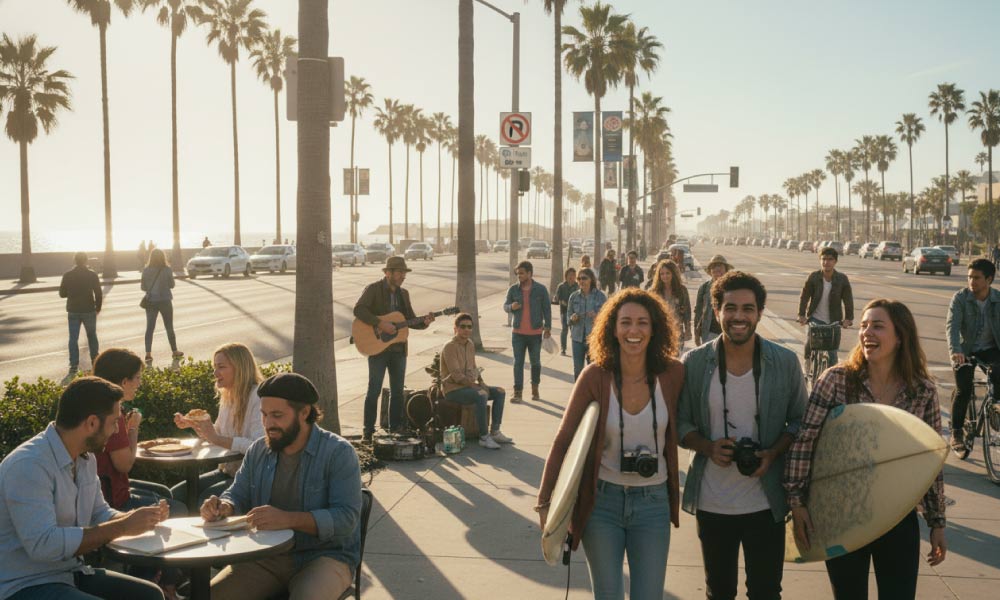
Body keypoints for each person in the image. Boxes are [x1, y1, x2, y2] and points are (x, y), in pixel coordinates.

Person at [785, 299, 947, 599]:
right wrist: (797, 503)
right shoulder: (837, 380)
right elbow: (805, 441)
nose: (866, 332)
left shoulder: (921, 390)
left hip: (897, 515)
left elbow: (930, 458)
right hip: (843, 512)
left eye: (877, 326)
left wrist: (937, 522)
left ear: (900, 336)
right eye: (863, 325)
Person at [537, 288, 684, 599]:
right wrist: (547, 500)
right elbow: (564, 440)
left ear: (654, 328)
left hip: (653, 504)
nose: (634, 331)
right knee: (607, 595)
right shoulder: (595, 376)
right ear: (612, 328)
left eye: (643, 323)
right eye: (626, 322)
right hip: (602, 503)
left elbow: (697, 422)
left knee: (649, 595)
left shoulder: (673, 374)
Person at [677, 271, 807, 600]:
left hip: (766, 502)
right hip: (712, 502)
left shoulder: (785, 362)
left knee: (765, 592)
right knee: (718, 591)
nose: (739, 316)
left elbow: (800, 421)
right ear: (716, 311)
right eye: (730, 308)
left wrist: (773, 452)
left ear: (759, 313)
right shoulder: (693, 363)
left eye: (748, 309)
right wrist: (707, 446)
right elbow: (680, 422)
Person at [0, 377, 168, 600]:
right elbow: (43, 545)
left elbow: (100, 513)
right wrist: (122, 526)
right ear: (91, 423)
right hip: (23, 585)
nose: (117, 429)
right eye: (114, 422)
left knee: (150, 595)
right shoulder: (28, 465)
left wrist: (141, 520)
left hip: (70, 573)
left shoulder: (86, 458)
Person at [201, 373, 362, 600]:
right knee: (209, 596)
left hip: (324, 556)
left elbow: (346, 519)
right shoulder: (258, 450)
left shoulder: (338, 453)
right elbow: (237, 493)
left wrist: (289, 519)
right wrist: (224, 506)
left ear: (305, 412)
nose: (268, 424)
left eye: (277, 415)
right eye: (264, 415)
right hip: (265, 555)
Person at [171, 343, 266, 504]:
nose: (215, 373)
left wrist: (215, 438)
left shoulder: (258, 397)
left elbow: (259, 446)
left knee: (203, 500)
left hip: (252, 478)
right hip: (228, 471)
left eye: (221, 367)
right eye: (214, 367)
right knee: (177, 494)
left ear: (240, 368)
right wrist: (195, 424)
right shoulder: (228, 396)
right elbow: (217, 434)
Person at [93, 349, 185, 513]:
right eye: (137, 378)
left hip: (103, 489)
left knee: (164, 492)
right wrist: (133, 428)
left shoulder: (97, 404)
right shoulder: (112, 414)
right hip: (113, 502)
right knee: (179, 509)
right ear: (124, 382)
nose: (139, 384)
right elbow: (125, 465)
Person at [354, 256, 434, 440]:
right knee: (373, 390)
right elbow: (359, 310)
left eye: (404, 273)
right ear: (387, 273)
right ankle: (368, 431)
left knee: (397, 392)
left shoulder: (403, 294)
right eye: (399, 272)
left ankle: (395, 429)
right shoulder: (373, 289)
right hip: (377, 348)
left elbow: (409, 320)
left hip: (398, 350)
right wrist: (380, 324)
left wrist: (425, 323)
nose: (402, 276)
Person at [946, 257, 1000, 453]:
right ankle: (957, 432)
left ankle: (995, 410)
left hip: (991, 349)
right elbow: (952, 327)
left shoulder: (998, 299)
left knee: (999, 376)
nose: (972, 282)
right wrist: (956, 352)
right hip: (965, 350)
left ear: (989, 279)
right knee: (964, 390)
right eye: (969, 277)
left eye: (976, 278)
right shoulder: (960, 298)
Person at [440, 313, 512, 449]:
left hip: (468, 387)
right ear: (455, 328)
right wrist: (476, 387)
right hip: (453, 390)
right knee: (481, 395)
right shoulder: (450, 347)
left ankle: (495, 432)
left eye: (469, 327)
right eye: (462, 327)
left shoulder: (470, 344)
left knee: (500, 392)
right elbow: (456, 375)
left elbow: (474, 367)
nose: (466, 329)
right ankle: (484, 437)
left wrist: (482, 383)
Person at [503, 261, 552, 402]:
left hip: (535, 333)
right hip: (517, 333)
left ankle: (535, 389)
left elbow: (547, 309)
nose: (519, 276)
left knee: (535, 362)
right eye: (518, 273)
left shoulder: (541, 289)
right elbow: (505, 306)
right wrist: (511, 306)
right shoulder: (513, 290)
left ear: (530, 273)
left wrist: (547, 327)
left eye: (522, 273)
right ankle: (517, 392)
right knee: (518, 362)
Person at [797, 246, 854, 367]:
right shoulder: (814, 277)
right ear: (820, 260)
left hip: (834, 321)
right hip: (815, 319)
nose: (826, 262)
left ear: (835, 261)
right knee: (809, 344)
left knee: (832, 354)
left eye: (830, 259)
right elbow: (804, 297)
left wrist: (848, 319)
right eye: (823, 259)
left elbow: (848, 299)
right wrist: (802, 315)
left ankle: (831, 378)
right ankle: (807, 365)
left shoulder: (842, 279)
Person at [59, 252, 102, 375]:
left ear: (75, 261)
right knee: (92, 335)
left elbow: (62, 294)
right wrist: (98, 308)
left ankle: (73, 365)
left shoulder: (67, 275)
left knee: (73, 338)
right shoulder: (92, 275)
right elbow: (98, 293)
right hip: (89, 309)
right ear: (86, 261)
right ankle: (95, 361)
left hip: (73, 310)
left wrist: (71, 292)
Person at [140, 248, 182, 364]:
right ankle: (174, 351)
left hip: (151, 302)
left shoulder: (146, 270)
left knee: (150, 328)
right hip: (165, 301)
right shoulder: (167, 269)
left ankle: (148, 354)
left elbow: (143, 287)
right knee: (169, 327)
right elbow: (172, 285)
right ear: (163, 257)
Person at [567, 268, 607, 380]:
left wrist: (597, 316)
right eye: (579, 278)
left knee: (593, 370)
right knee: (578, 370)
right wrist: (572, 318)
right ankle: (580, 395)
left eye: (584, 278)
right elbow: (568, 319)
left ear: (591, 279)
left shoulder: (600, 296)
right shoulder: (574, 296)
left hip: (594, 338)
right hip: (577, 338)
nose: (581, 281)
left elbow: (608, 318)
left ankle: (594, 395)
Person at [649, 260, 692, 349]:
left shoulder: (682, 290)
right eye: (662, 274)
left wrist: (688, 329)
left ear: (673, 274)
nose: (665, 276)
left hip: (677, 331)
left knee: (675, 358)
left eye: (668, 273)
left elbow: (687, 312)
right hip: (659, 331)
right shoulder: (654, 292)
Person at [694, 254, 732, 346]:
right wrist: (696, 332)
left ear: (726, 270)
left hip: (729, 333)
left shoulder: (733, 287)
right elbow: (699, 311)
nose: (717, 269)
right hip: (709, 332)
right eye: (714, 267)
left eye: (720, 266)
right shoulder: (704, 288)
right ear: (710, 271)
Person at [554, 267, 579, 356]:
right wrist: (560, 301)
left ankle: (575, 349)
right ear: (566, 276)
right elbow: (556, 299)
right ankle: (563, 349)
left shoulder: (577, 286)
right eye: (570, 275)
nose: (572, 277)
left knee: (574, 331)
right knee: (564, 329)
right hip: (564, 311)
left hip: (575, 312)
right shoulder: (561, 286)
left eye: (574, 275)